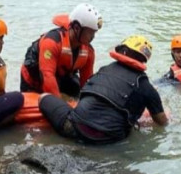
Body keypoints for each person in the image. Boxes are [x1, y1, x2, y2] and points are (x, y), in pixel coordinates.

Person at [38, 35, 169, 144]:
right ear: (144, 60)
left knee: (43, 97)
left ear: (122, 51)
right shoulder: (147, 87)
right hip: (111, 140)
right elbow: (162, 122)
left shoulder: (104, 70)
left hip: (76, 129)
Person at [20, 3, 101, 97]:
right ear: (76, 28)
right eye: (90, 33)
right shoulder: (52, 42)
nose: (93, 37)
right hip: (34, 80)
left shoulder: (89, 52)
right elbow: (47, 76)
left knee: (76, 89)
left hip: (60, 78)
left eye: (94, 33)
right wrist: (59, 107)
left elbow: (86, 82)